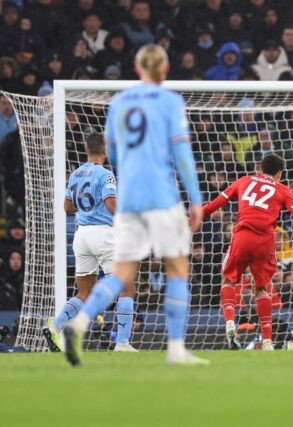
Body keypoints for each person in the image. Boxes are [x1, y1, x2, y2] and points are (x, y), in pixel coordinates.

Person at [62, 44, 206, 366]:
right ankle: (177, 349)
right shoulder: (170, 101)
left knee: (121, 273)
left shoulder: (119, 102)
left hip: (129, 197)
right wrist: (195, 200)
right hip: (161, 194)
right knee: (178, 268)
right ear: (165, 69)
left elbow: (112, 154)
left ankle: (79, 324)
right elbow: (182, 154)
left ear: (136, 68)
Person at [202, 154, 293, 351]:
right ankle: (267, 341)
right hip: (265, 241)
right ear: (279, 174)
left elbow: (213, 206)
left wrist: (189, 221)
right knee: (261, 289)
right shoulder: (283, 189)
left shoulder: (244, 180)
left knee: (228, 280)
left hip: (243, 235)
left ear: (259, 169)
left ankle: (230, 322)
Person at [42, 133, 137, 353]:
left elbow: (67, 207)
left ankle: (55, 327)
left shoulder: (75, 174)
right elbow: (112, 206)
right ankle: (122, 343)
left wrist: (88, 208)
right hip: (104, 235)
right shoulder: (106, 175)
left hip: (81, 236)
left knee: (84, 292)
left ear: (86, 149)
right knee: (126, 287)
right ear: (106, 151)